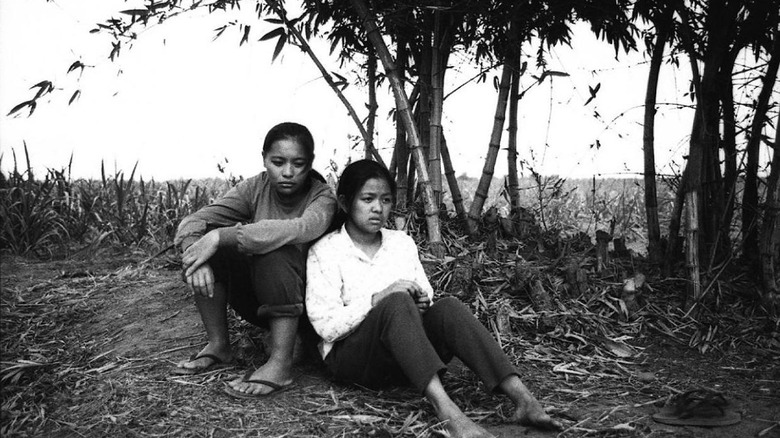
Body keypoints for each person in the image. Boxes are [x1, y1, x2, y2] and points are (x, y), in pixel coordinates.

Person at [305, 159, 561, 437]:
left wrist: (421, 304)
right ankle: (448, 412)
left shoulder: (401, 243)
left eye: (386, 200)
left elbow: (424, 294)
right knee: (395, 301)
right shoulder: (326, 251)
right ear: (345, 203)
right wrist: (380, 298)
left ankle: (524, 400)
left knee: (447, 307)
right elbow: (326, 326)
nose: (378, 208)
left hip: (407, 361)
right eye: (367, 199)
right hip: (356, 363)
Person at [172, 122, 336, 399]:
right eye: (277, 162)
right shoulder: (254, 188)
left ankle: (281, 363)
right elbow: (194, 221)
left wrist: (220, 236)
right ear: (264, 159)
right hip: (263, 299)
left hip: (310, 306)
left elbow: (298, 229)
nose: (287, 172)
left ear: (310, 164)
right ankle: (218, 345)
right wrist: (196, 253)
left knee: (275, 249)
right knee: (214, 251)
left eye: (298, 164)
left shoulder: (321, 197)